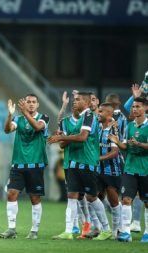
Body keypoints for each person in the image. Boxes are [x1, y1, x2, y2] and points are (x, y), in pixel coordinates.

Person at [49, 92, 112, 241]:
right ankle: (68, 231)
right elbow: (63, 145)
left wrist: (62, 136)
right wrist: (62, 137)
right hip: (72, 163)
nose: (74, 102)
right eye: (74, 100)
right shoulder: (68, 121)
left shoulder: (89, 116)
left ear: (86, 102)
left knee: (91, 197)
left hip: (87, 162)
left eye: (78, 100)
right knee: (72, 196)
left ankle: (106, 229)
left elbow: (83, 137)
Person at [0, 94, 49, 240]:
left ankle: (34, 230)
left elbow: (38, 127)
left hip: (36, 163)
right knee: (11, 193)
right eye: (28, 102)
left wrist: (25, 113)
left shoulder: (44, 118)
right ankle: (11, 229)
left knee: (34, 198)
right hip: (18, 163)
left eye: (33, 102)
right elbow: (7, 130)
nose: (31, 104)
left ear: (37, 104)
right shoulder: (18, 119)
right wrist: (9, 115)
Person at [109, 97, 148, 243]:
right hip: (130, 168)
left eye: (138, 106)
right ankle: (125, 232)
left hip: (145, 168)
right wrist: (117, 142)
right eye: (133, 107)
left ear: (145, 108)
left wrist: (139, 144)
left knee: (147, 202)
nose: (134, 109)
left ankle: (147, 233)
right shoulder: (130, 125)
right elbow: (125, 147)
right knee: (126, 199)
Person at [97, 103, 122, 239]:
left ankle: (117, 230)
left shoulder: (113, 130)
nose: (98, 113)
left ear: (109, 114)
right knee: (93, 197)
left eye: (101, 111)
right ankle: (103, 228)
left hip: (111, 169)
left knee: (113, 200)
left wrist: (97, 158)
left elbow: (114, 152)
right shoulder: (98, 128)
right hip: (97, 170)